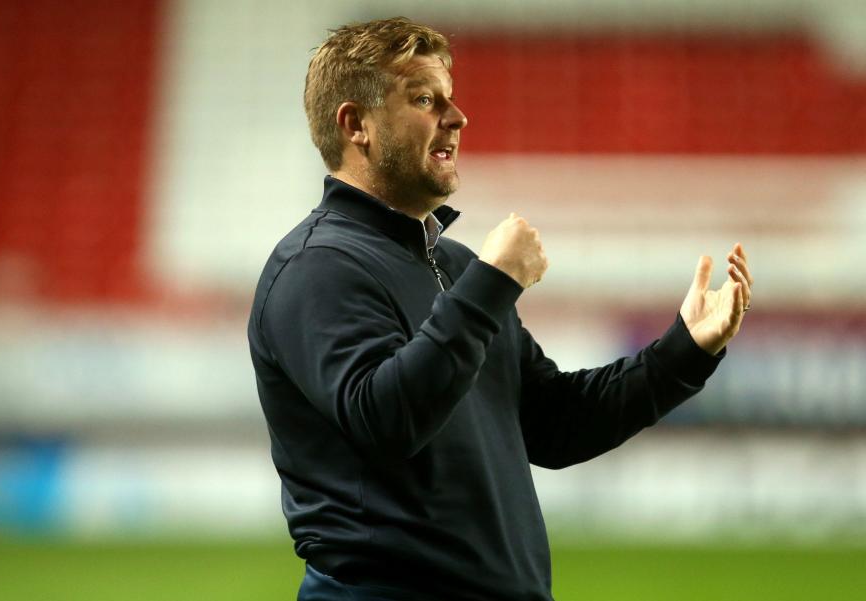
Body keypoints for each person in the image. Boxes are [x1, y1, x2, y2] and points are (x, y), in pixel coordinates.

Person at [247, 16, 753, 601]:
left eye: (451, 100)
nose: (457, 118)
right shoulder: (316, 268)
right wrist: (490, 285)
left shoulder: (454, 265)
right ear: (356, 124)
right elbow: (385, 419)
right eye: (424, 99)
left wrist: (684, 350)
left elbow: (555, 425)